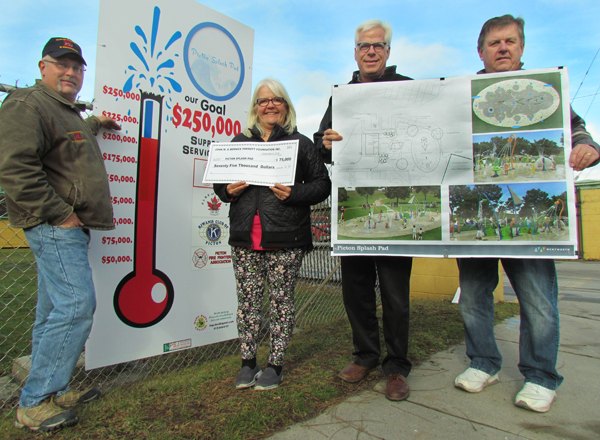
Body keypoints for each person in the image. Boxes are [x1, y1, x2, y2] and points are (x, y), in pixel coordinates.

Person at [455, 15, 600, 413]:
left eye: (510, 41)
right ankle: (483, 362)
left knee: (537, 302)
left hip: (529, 224)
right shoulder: (460, 93)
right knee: (473, 298)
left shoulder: (543, 89)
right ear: (480, 50)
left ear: (521, 48)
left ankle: (540, 375)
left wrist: (587, 145)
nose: (503, 48)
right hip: (481, 219)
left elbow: (576, 128)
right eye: (495, 42)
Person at [0, 38, 120, 432]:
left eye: (77, 67)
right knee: (76, 305)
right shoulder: (26, 104)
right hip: (53, 224)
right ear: (42, 66)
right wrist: (61, 214)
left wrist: (96, 123)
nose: (71, 72)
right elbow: (16, 168)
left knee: (52, 311)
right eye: (62, 65)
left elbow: (67, 144)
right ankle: (34, 402)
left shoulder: (63, 111)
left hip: (68, 224)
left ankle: (55, 388)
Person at [313, 20, 413, 401]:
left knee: (394, 293)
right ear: (355, 52)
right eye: (363, 46)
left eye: (378, 45)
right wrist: (325, 142)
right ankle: (365, 355)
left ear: (388, 51)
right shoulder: (343, 96)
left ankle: (397, 366)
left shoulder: (409, 88)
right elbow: (323, 146)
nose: (370, 51)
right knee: (355, 288)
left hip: (398, 198)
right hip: (353, 204)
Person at [214, 78, 330, 391]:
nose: (270, 105)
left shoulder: (300, 143)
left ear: (286, 106)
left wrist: (293, 194)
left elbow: (322, 184)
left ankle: (275, 365)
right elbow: (219, 186)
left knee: (281, 303)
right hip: (245, 238)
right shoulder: (239, 142)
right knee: (248, 303)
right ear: (255, 107)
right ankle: (247, 363)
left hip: (285, 237)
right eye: (263, 100)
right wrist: (226, 190)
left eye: (276, 99)